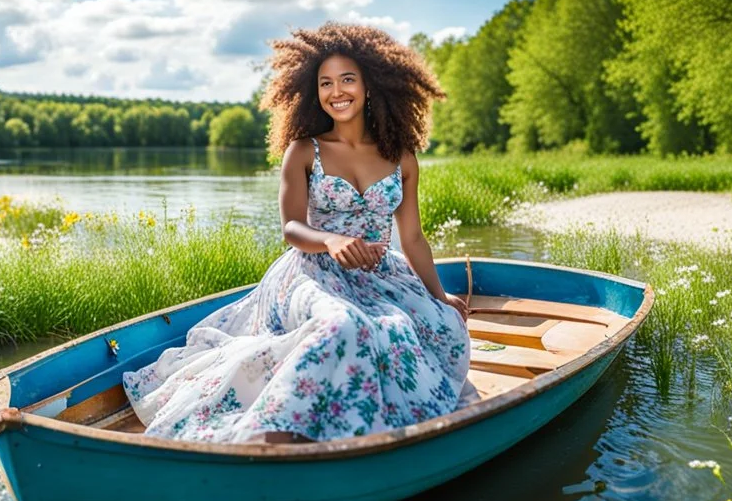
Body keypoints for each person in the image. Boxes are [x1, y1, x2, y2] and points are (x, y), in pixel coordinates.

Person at [121, 22, 475, 444]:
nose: (336, 91)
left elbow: (413, 238)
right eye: (326, 83)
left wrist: (439, 295)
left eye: (347, 80)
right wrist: (331, 240)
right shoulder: (305, 149)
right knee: (343, 325)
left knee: (439, 327)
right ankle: (277, 434)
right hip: (310, 271)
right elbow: (291, 227)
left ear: (371, 86)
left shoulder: (402, 157)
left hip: (381, 276)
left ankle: (365, 428)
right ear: (314, 91)